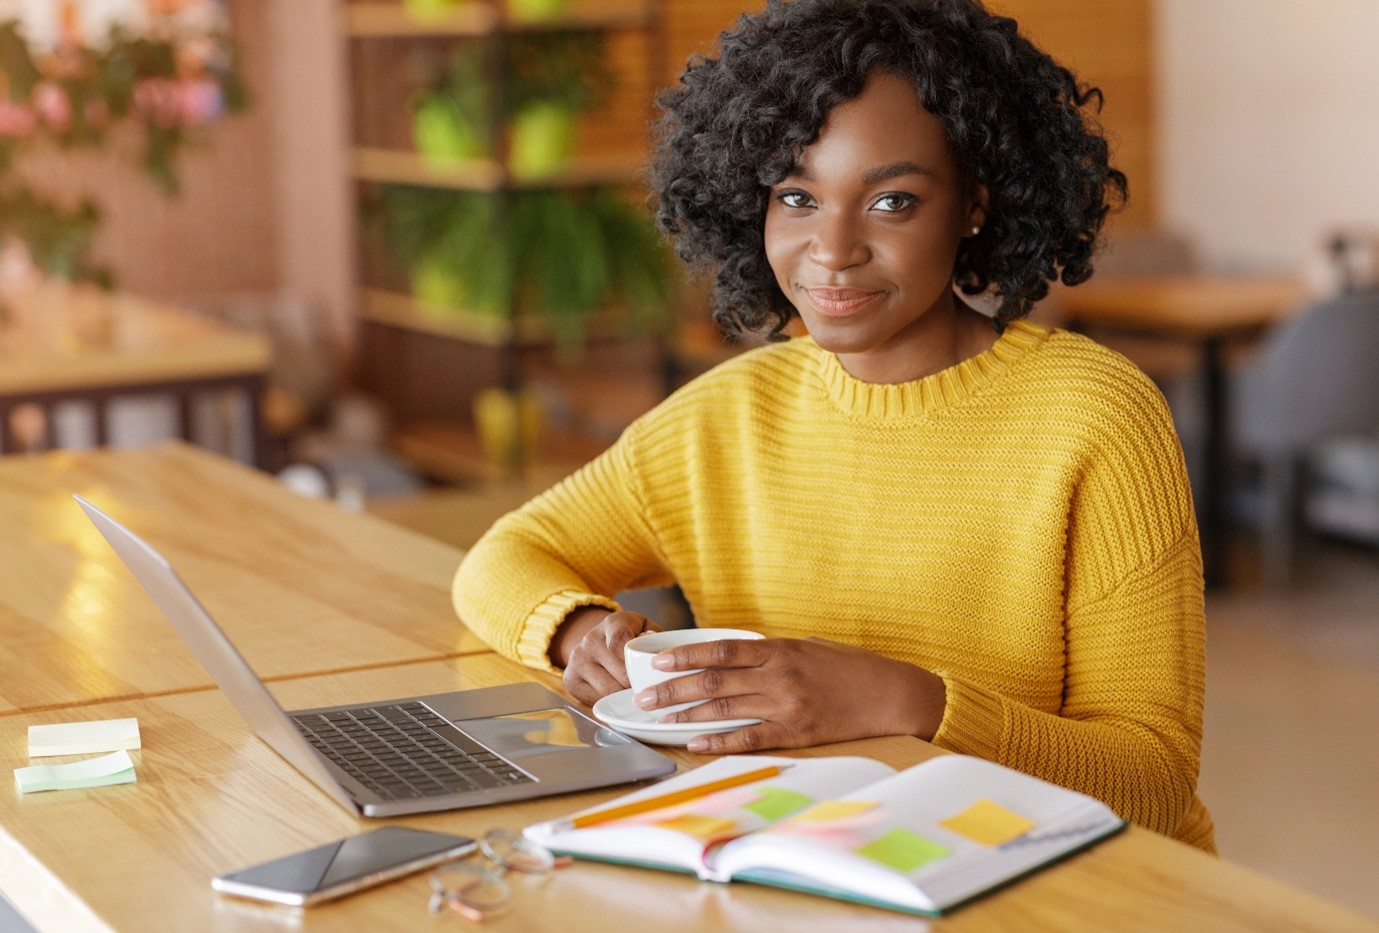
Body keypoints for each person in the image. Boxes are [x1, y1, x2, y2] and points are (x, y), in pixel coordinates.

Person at [453, 0, 1215, 851]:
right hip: (822, 859)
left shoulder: (1094, 413)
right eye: (796, 196)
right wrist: (573, 630)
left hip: (1063, 879)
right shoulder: (727, 414)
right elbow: (501, 559)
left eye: (891, 200)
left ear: (973, 204)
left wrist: (902, 700)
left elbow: (1150, 780)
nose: (832, 248)